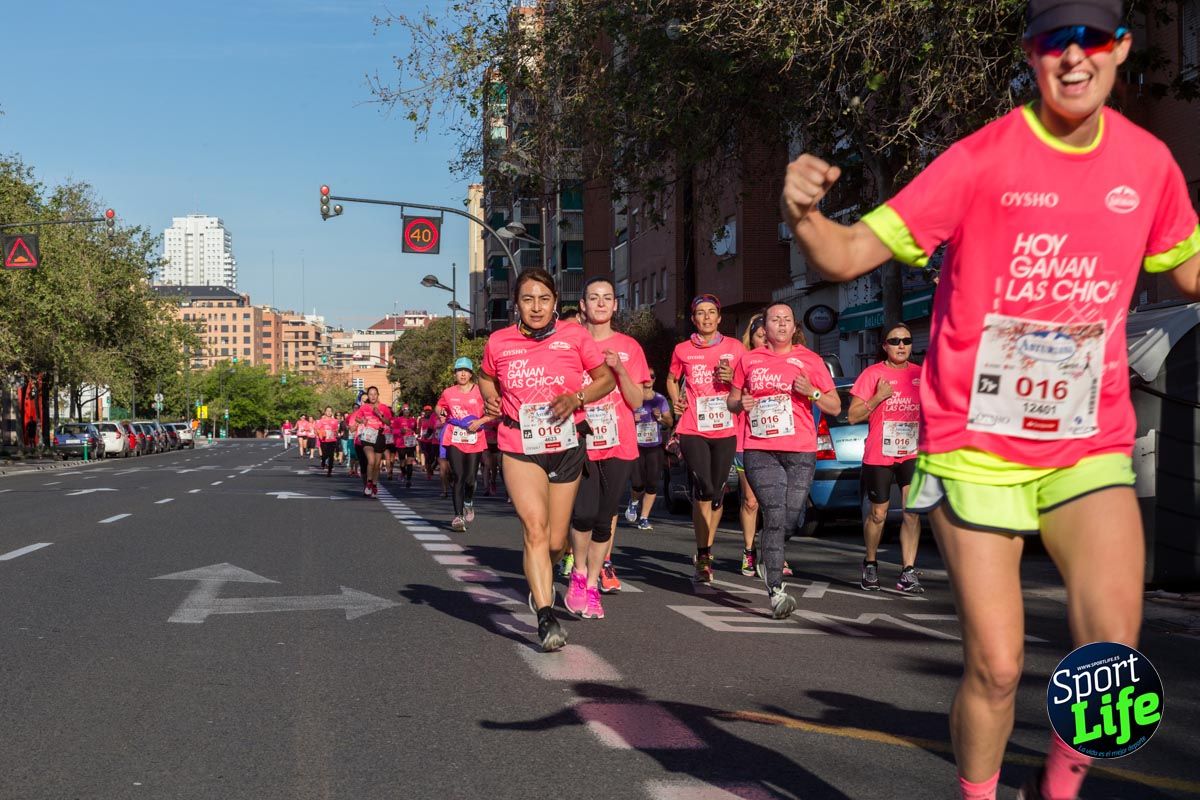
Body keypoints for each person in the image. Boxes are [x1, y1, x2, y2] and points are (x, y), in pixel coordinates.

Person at [781, 1, 1200, 796]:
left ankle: (1059, 789)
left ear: (1120, 50)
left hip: (1088, 439)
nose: (1073, 59)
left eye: (1092, 40)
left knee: (1112, 657)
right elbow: (847, 255)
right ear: (1031, 55)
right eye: (1053, 41)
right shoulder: (981, 160)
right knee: (1000, 666)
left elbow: (1188, 271)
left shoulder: (1149, 165)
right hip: (975, 447)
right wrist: (802, 214)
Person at [478, 267, 614, 651]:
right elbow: (488, 377)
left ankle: (545, 575)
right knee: (534, 529)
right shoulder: (500, 342)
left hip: (567, 445)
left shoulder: (575, 336)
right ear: (516, 304)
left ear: (555, 302)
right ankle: (544, 615)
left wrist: (578, 398)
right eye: (527, 299)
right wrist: (490, 395)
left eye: (543, 299)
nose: (535, 307)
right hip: (519, 443)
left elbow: (604, 378)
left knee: (555, 541)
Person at [726, 303, 839, 618]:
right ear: (765, 326)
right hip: (760, 448)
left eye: (786, 319)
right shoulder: (749, 360)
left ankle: (767, 553)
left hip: (800, 448)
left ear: (794, 327)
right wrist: (741, 403)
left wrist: (812, 392)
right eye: (774, 319)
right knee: (774, 514)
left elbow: (834, 405)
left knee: (790, 518)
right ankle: (776, 591)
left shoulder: (809, 360)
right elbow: (732, 401)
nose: (780, 324)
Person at [565, 276, 651, 612]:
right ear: (582, 305)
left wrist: (620, 371)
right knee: (583, 513)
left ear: (616, 305)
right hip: (580, 441)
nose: (601, 303)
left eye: (607, 298)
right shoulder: (570, 344)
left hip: (619, 443)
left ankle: (591, 583)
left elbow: (636, 403)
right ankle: (578, 573)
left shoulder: (629, 347)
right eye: (593, 297)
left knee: (605, 518)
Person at [666, 294, 746, 583]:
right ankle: (703, 554)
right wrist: (676, 402)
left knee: (718, 492)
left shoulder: (735, 348)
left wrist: (731, 379)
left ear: (720, 317)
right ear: (694, 318)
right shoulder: (682, 350)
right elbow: (672, 378)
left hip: (726, 428)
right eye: (701, 313)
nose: (707, 317)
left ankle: (706, 550)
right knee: (704, 487)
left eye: (712, 312)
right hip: (693, 428)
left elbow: (746, 382)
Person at [849, 322, 925, 593]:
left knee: (912, 512)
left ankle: (908, 571)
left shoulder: (921, 374)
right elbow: (853, 415)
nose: (901, 345)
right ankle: (870, 563)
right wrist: (879, 397)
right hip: (879, 452)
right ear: (884, 346)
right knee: (879, 513)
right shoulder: (872, 375)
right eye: (894, 341)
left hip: (913, 451)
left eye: (906, 340)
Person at [437, 358, 492, 531]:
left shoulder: (480, 391)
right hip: (455, 437)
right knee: (458, 477)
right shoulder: (448, 392)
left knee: (470, 479)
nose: (462, 374)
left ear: (471, 374)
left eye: (466, 371)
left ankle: (468, 500)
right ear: (454, 373)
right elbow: (439, 406)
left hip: (475, 439)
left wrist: (480, 421)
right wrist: (441, 412)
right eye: (459, 370)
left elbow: (494, 412)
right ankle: (458, 516)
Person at [625, 368, 673, 531]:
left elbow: (670, 423)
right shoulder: (632, 399)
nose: (648, 379)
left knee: (652, 484)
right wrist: (631, 419)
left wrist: (660, 417)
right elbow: (621, 421)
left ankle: (644, 518)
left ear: (654, 379)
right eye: (645, 376)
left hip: (654, 446)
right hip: (636, 446)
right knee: (638, 483)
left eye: (651, 376)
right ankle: (633, 502)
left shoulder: (660, 400)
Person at [346, 387, 393, 497]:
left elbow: (389, 422)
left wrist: (380, 415)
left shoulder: (384, 407)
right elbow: (357, 418)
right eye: (370, 394)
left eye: (374, 394)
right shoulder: (364, 407)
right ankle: (369, 483)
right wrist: (362, 420)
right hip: (367, 436)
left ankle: (374, 485)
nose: (372, 396)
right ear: (368, 396)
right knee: (371, 461)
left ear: (378, 395)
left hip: (379, 436)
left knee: (377, 464)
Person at [391, 404, 418, 487]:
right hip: (401, 443)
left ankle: (409, 480)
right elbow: (393, 431)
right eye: (405, 410)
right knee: (402, 462)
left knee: (410, 461)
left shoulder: (413, 420)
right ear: (402, 411)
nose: (407, 412)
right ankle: (403, 472)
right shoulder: (398, 420)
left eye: (408, 410)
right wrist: (400, 431)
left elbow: (415, 430)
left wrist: (416, 432)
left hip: (410, 443)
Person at [314, 406, 340, 477]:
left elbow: (336, 430)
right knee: (325, 454)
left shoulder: (335, 421)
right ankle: (323, 460)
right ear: (325, 412)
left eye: (330, 411)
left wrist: (336, 432)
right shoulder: (321, 421)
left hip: (332, 440)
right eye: (327, 411)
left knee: (331, 455)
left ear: (332, 412)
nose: (329, 412)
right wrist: (321, 433)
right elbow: (316, 430)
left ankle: (329, 471)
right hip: (324, 440)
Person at [417, 405, 439, 479]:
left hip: (433, 440)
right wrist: (419, 436)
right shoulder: (421, 419)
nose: (427, 412)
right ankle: (428, 473)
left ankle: (432, 467)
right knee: (427, 457)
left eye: (429, 410)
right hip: (424, 440)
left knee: (434, 457)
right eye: (426, 411)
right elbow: (419, 429)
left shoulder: (434, 418)